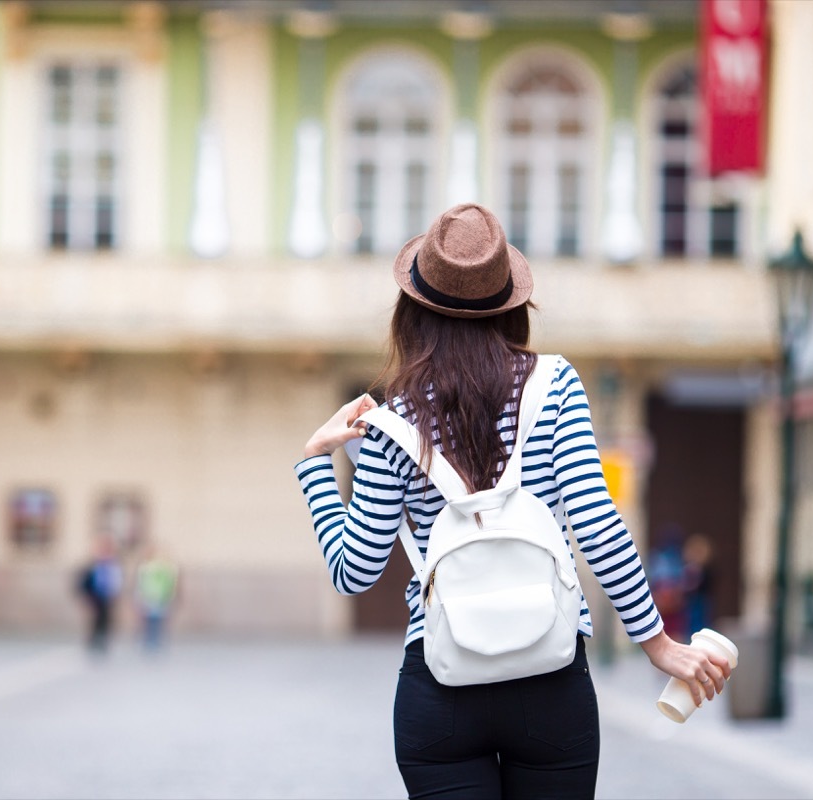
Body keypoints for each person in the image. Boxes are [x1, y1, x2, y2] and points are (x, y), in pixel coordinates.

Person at [295, 204, 730, 800]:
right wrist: (656, 644)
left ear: (412, 311)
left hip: (440, 685)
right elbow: (598, 525)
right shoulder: (556, 385)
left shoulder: (390, 420)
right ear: (512, 305)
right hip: (550, 679)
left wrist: (318, 466)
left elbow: (354, 573)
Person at [77, 538, 123, 655]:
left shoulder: (114, 565)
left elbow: (117, 581)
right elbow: (84, 582)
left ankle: (103, 643)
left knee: (106, 621)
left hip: (108, 596)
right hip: (95, 597)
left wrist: (115, 594)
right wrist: (86, 596)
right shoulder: (92, 565)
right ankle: (93, 642)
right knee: (95, 621)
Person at [135, 546, 179, 652]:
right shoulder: (150, 567)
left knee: (154, 621)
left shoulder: (151, 567)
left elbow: (169, 583)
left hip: (157, 597)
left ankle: (153, 641)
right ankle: (152, 641)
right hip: (153, 597)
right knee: (153, 621)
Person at [681, 533, 715, 636]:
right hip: (692, 603)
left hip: (700, 602)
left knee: (700, 623)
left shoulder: (705, 570)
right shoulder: (690, 567)